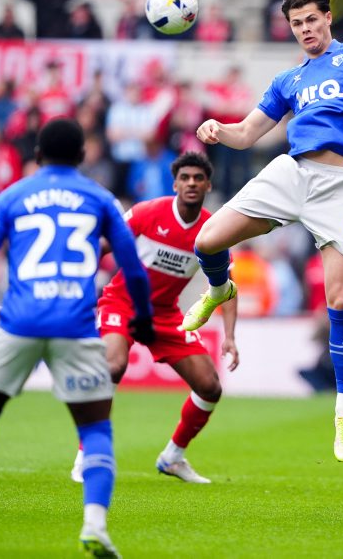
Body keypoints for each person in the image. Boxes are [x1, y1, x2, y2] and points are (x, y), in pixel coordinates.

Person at [188, 0, 343, 462]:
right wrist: (218, 130)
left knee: (340, 299)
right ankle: (220, 290)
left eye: (311, 19)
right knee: (207, 240)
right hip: (293, 173)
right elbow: (246, 133)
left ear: (327, 18)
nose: (305, 29)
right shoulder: (288, 80)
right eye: (296, 23)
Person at [0, 119, 155, 556]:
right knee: (95, 428)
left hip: (19, 323)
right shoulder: (100, 198)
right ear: (82, 156)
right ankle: (95, 526)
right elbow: (133, 266)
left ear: (36, 155)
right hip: (76, 325)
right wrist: (143, 317)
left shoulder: (12, 196)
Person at [70, 151, 239, 486]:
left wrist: (230, 336)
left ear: (208, 185)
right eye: (185, 178)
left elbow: (226, 287)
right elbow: (101, 246)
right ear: (175, 184)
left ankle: (173, 457)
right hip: (122, 302)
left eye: (199, 178)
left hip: (165, 313)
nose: (191, 183)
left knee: (209, 386)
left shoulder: (213, 232)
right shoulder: (148, 213)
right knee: (113, 366)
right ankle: (86, 455)